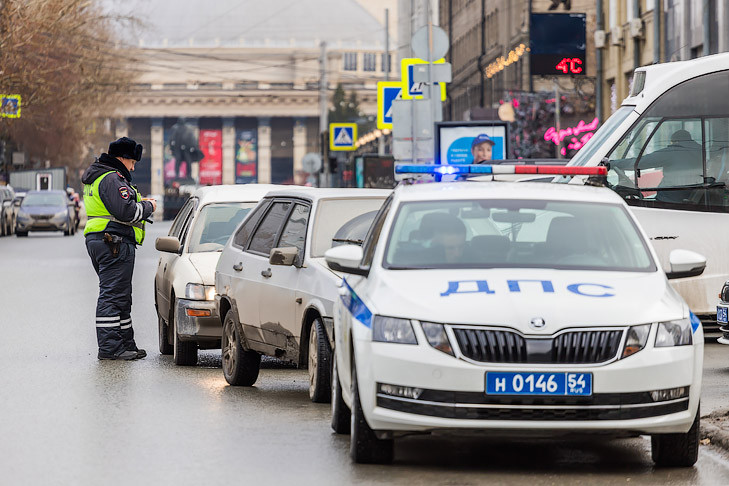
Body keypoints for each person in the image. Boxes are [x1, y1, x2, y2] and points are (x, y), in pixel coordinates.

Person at [81, 137, 157, 360]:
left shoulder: (98, 176)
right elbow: (127, 212)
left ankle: (125, 343)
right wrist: (148, 206)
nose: (133, 167)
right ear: (122, 158)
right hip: (113, 241)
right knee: (113, 296)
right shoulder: (112, 179)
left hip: (101, 239)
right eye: (132, 162)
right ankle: (111, 348)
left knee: (121, 296)